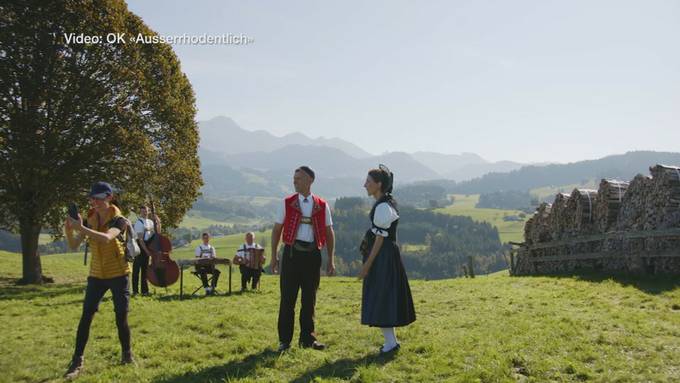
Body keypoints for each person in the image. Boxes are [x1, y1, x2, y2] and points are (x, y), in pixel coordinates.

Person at [63, 182, 134, 379]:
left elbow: (106, 238)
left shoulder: (119, 220)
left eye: (98, 198)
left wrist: (82, 228)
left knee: (121, 316)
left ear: (109, 198)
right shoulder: (90, 217)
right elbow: (74, 245)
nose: (94, 202)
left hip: (119, 274)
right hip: (96, 274)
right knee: (86, 316)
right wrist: (70, 229)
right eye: (91, 198)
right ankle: (77, 361)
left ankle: (127, 355)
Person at [271, 166, 336, 352]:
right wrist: (275, 255)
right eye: (294, 178)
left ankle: (308, 339)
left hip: (312, 256)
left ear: (309, 180)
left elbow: (329, 232)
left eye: (298, 178)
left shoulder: (322, 205)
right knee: (287, 299)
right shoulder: (287, 202)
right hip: (291, 254)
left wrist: (330, 259)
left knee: (309, 299)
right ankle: (284, 341)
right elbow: (277, 230)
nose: (294, 181)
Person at [359, 165, 416, 354]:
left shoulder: (383, 206)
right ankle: (391, 342)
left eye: (368, 182)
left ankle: (391, 343)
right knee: (383, 296)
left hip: (383, 256)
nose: (364, 185)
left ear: (379, 184)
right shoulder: (385, 202)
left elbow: (380, 238)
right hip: (386, 255)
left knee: (382, 295)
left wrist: (368, 265)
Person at [132, 205, 154, 296]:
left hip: (148, 245)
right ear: (140, 212)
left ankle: (145, 291)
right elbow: (140, 239)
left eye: (146, 211)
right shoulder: (138, 223)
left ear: (148, 211)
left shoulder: (150, 222)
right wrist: (146, 250)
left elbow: (153, 234)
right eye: (143, 211)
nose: (145, 212)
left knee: (145, 270)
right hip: (140, 247)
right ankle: (135, 291)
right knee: (136, 270)